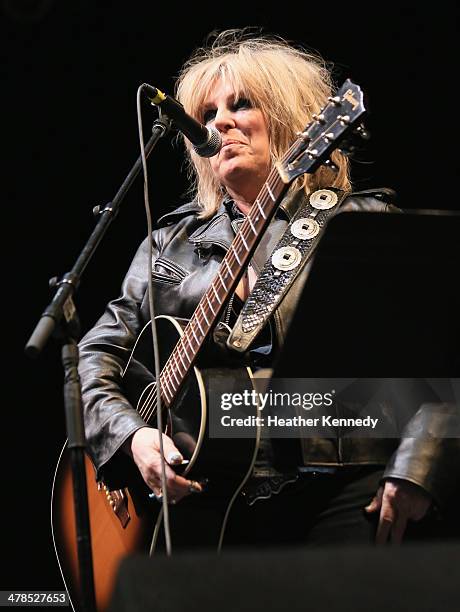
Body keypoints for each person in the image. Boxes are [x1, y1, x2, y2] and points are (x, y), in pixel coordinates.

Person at [78, 28, 458, 550]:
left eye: (242, 104)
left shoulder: (359, 223)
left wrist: (420, 468)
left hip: (343, 486)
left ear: (289, 117)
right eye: (207, 115)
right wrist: (133, 436)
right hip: (213, 499)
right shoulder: (169, 243)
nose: (220, 123)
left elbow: (442, 352)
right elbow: (95, 358)